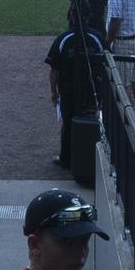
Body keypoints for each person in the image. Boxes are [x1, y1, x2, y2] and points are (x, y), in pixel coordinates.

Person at [45, 19, 105, 173]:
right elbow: (106, 65)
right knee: (94, 121)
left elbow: (54, 70)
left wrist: (53, 91)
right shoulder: (97, 37)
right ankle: (93, 158)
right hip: (93, 90)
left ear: (71, 16)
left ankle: (66, 159)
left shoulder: (63, 38)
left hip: (68, 91)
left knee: (68, 123)